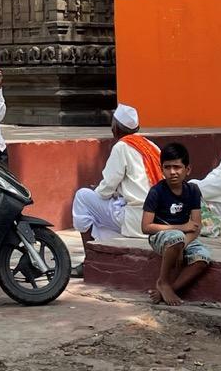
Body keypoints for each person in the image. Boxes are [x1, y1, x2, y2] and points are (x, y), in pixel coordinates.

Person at [69, 104, 161, 277]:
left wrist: (98, 191)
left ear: (115, 129)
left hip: (136, 218)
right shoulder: (152, 146)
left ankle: (89, 260)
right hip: (157, 217)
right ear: (137, 128)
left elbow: (106, 189)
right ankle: (103, 254)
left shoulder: (122, 147)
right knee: (100, 213)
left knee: (83, 198)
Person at [141, 142, 212, 306]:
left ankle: (168, 290)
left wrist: (182, 245)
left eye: (177, 167)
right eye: (167, 167)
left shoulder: (193, 190)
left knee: (203, 258)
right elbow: (146, 227)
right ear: (162, 169)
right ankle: (163, 281)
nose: (172, 172)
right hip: (160, 237)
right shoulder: (156, 192)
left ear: (188, 169)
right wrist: (180, 229)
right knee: (176, 236)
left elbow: (195, 227)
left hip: (183, 240)